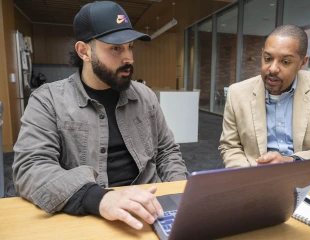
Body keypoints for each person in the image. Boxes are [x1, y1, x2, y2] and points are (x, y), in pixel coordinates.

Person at [13, 1, 188, 230]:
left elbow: (167, 151)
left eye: (130, 47)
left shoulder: (145, 96)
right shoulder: (48, 100)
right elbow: (31, 168)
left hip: (152, 208)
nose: (129, 59)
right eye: (116, 48)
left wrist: (179, 195)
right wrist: (100, 198)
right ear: (84, 51)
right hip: (88, 212)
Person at [218, 24, 310, 173]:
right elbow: (230, 146)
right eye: (268, 58)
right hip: (255, 178)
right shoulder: (237, 93)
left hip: (307, 177)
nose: (272, 68)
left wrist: (292, 162)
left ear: (302, 62)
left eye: (285, 62)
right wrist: (248, 177)